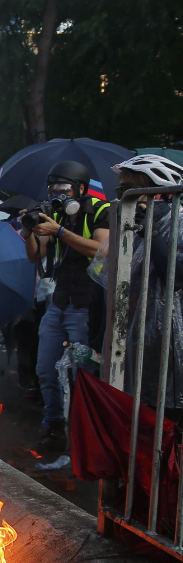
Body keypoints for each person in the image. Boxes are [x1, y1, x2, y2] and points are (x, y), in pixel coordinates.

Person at [21, 161, 111, 452]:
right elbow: (36, 256)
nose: (57, 195)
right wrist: (30, 231)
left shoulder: (101, 211)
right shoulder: (55, 214)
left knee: (80, 375)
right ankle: (55, 428)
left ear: (81, 189)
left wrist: (60, 232)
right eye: (53, 190)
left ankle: (84, 437)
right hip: (58, 301)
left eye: (63, 189)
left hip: (86, 305)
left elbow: (100, 250)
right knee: (46, 370)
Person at [114, 155, 183, 416]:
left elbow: (176, 277)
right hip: (138, 343)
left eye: (128, 190)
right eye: (120, 191)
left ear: (157, 192)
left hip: (172, 350)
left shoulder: (179, 223)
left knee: (170, 431)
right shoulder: (132, 226)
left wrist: (151, 232)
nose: (123, 198)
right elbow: (109, 279)